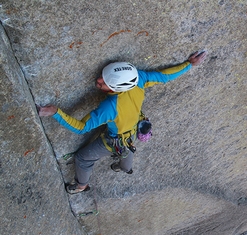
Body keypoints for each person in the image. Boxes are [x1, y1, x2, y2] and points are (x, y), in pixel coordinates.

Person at [38, 51, 207, 194]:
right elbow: (164, 76)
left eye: (104, 83)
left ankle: (82, 185)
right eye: (102, 77)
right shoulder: (138, 78)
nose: (98, 81)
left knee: (82, 158)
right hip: (132, 132)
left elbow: (82, 127)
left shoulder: (110, 107)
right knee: (126, 152)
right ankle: (123, 167)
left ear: (115, 89)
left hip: (113, 140)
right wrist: (189, 64)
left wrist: (56, 112)